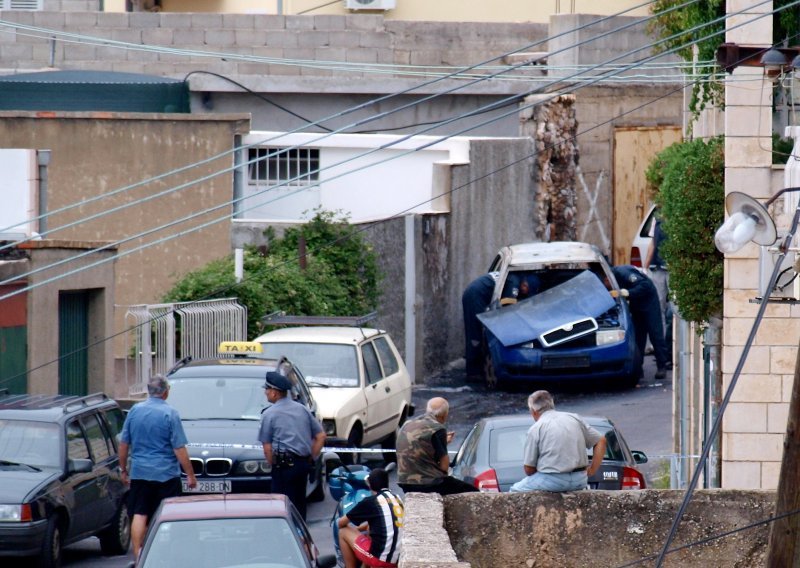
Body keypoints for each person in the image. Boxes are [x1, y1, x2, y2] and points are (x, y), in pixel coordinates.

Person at [119, 374, 197, 561]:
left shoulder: (134, 411)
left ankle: (139, 554)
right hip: (166, 474)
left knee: (139, 512)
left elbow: (123, 444)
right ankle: (164, 554)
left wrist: (123, 469)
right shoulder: (170, 413)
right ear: (165, 392)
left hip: (140, 472)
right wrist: (190, 475)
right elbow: (179, 448)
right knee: (168, 514)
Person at [258, 371, 326, 520]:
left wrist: (273, 464)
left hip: (282, 467)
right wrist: (310, 458)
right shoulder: (302, 409)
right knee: (299, 503)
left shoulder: (269, 414)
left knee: (280, 505)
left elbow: (267, 447)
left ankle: (285, 536)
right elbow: (321, 436)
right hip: (302, 465)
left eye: (267, 390)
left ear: (275, 393)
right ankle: (301, 537)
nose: (265, 393)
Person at [510, 390, 607, 493]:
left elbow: (529, 470)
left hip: (552, 480)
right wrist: (592, 470)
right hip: (580, 479)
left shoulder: (536, 428)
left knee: (513, 491)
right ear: (552, 405)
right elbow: (601, 440)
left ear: (533, 411)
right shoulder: (574, 418)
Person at [396, 397, 478, 495]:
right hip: (428, 483)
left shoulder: (407, 424)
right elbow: (444, 467)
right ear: (444, 415)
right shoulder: (437, 428)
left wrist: (443, 442)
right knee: (474, 493)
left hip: (405, 482)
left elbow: (421, 448)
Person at [611, 264, 670, 381]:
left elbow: (645, 285)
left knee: (655, 333)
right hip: (636, 302)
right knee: (639, 336)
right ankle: (638, 368)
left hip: (648, 301)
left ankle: (661, 366)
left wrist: (627, 292)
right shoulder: (613, 277)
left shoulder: (623, 273)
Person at [337, 467, 404, 568]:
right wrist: (360, 529)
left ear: (370, 485)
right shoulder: (397, 498)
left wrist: (355, 530)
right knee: (370, 529)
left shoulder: (371, 501)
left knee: (343, 532)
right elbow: (384, 522)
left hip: (380, 561)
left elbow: (341, 523)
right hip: (398, 559)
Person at [644, 215, 674, 368]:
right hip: (658, 269)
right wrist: (646, 267)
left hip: (672, 268)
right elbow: (652, 243)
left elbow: (653, 244)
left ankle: (669, 349)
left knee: (674, 310)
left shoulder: (674, 215)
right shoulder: (657, 220)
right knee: (659, 309)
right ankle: (661, 349)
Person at [461, 272, 498, 381]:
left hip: (474, 294)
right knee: (475, 335)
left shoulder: (506, 273)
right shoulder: (513, 279)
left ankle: (474, 370)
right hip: (475, 297)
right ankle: (473, 372)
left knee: (475, 333)